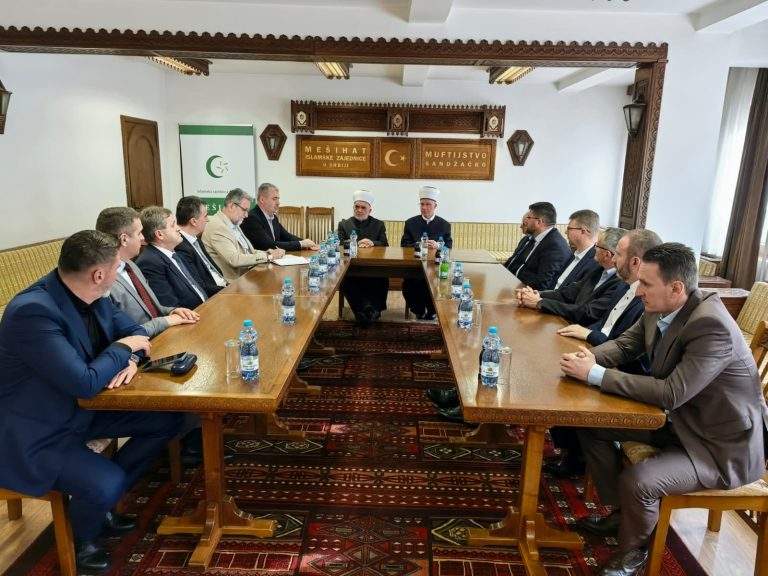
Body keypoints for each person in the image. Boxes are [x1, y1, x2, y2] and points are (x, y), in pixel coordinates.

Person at [560, 243, 768, 576]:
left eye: (645, 284)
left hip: (718, 447)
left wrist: (595, 375)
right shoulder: (660, 306)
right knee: (590, 423)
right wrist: (589, 358)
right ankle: (623, 513)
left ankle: (633, 553)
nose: (637, 290)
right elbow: (626, 345)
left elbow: (672, 393)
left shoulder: (711, 325)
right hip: (680, 424)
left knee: (640, 481)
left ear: (676, 288)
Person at [0, 230, 183, 573]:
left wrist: (130, 358)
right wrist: (123, 349)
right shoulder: (32, 313)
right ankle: (81, 538)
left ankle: (100, 505)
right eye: (117, 268)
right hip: (37, 429)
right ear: (99, 274)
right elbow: (84, 382)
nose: (120, 273)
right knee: (107, 483)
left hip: (82, 410)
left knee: (169, 419)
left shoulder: (92, 293)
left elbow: (136, 331)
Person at [96, 206, 199, 338]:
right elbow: (122, 334)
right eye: (139, 233)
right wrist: (165, 321)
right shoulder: (104, 281)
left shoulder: (131, 265)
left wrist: (173, 311)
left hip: (161, 335)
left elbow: (153, 308)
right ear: (124, 239)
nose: (143, 238)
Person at [516, 227, 626, 326]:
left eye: (597, 245)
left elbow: (588, 313)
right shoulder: (598, 269)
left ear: (607, 254)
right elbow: (568, 293)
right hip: (569, 323)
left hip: (583, 330)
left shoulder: (620, 282)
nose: (594, 248)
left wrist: (540, 302)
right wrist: (536, 294)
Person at [201, 188, 285, 282]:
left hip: (247, 275)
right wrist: (268, 256)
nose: (246, 215)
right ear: (232, 206)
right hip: (232, 283)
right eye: (244, 210)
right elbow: (234, 259)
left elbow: (248, 251)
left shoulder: (232, 222)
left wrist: (268, 253)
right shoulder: (218, 226)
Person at [136, 206, 208, 310]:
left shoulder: (176, 253)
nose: (178, 228)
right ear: (160, 234)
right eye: (173, 225)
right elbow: (171, 306)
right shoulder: (150, 263)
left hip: (207, 305)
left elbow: (200, 286)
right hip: (193, 315)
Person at [400, 185, 452, 320]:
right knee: (410, 283)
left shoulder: (444, 224)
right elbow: (404, 244)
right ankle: (418, 310)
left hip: (435, 266)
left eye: (428, 204)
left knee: (435, 282)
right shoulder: (410, 223)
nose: (424, 207)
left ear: (435, 206)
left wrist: (438, 245)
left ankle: (432, 311)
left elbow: (449, 247)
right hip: (415, 265)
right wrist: (419, 245)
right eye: (422, 204)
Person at [337, 189, 389, 325]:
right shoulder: (344, 224)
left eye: (363, 207)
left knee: (382, 277)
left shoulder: (379, 224)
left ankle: (374, 310)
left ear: (370, 210)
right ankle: (364, 309)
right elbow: (340, 244)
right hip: (351, 267)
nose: (359, 210)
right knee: (346, 279)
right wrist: (354, 243)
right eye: (357, 207)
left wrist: (373, 242)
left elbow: (384, 244)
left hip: (374, 266)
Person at [504, 202, 571, 290]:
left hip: (527, 292)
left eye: (529, 217)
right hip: (512, 284)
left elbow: (542, 284)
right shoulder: (533, 239)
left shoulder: (555, 246)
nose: (525, 221)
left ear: (539, 222)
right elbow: (515, 263)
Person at [240, 182, 318, 252]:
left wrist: (307, 243)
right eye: (274, 199)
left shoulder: (273, 217)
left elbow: (287, 236)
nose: (278, 203)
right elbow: (269, 245)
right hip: (260, 262)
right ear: (262, 200)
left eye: (278, 199)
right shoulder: (252, 218)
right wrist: (301, 244)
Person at [175, 196, 228, 297]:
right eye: (205, 216)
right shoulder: (180, 246)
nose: (208, 220)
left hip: (222, 286)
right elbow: (200, 285)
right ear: (193, 221)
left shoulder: (195, 238)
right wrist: (227, 290)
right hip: (213, 295)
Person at [553, 209, 601, 289]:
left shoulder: (595, 261)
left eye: (569, 228)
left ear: (583, 231)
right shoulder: (573, 253)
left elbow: (574, 295)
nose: (565, 232)